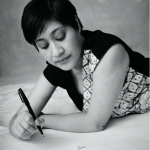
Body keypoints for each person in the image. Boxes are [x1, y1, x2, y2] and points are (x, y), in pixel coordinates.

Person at [9, 0, 150, 140]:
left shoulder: (108, 51)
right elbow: (17, 117)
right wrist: (19, 126)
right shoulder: (58, 67)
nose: (56, 52)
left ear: (75, 22)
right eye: (44, 46)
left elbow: (95, 123)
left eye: (60, 37)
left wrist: (41, 121)